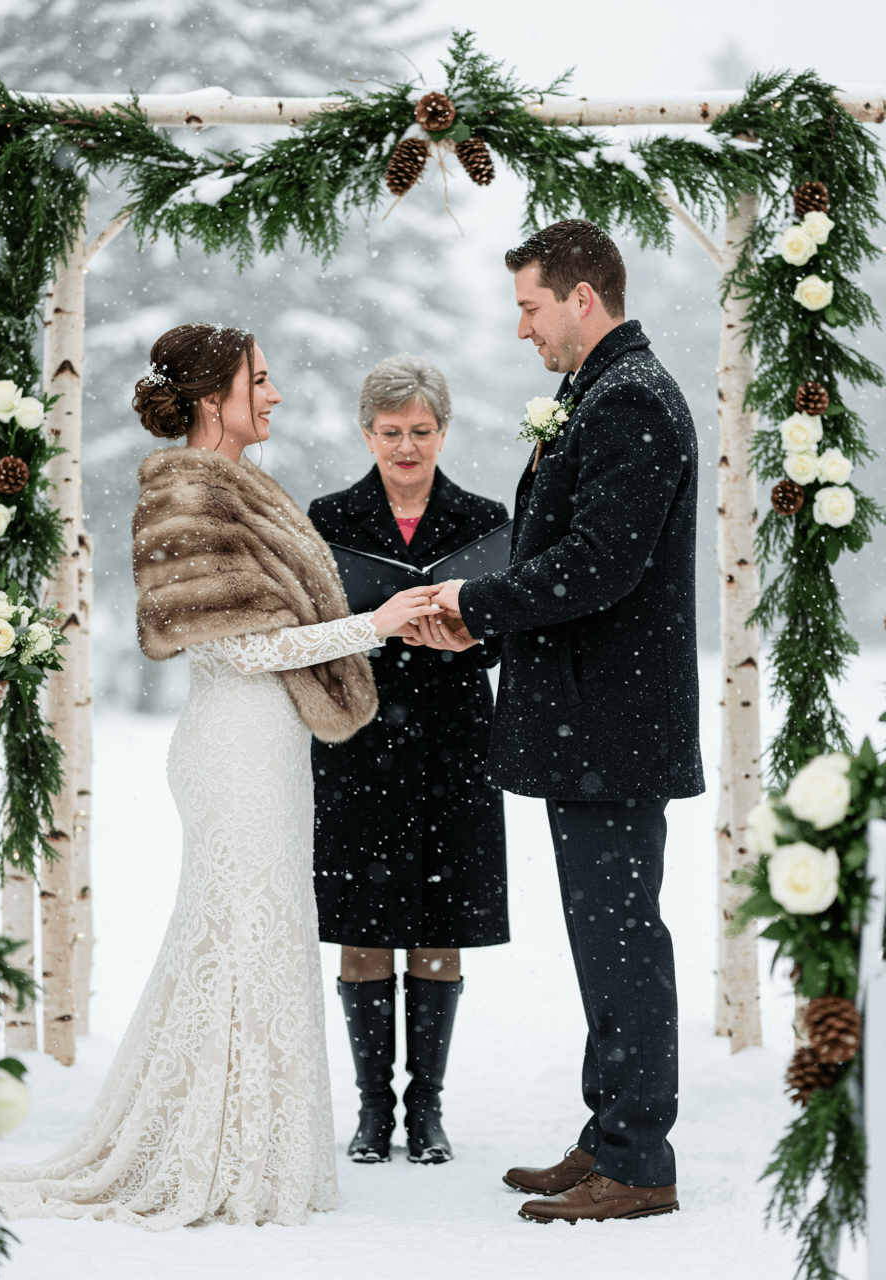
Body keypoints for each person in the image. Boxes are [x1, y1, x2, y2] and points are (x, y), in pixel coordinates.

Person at [0, 323, 442, 1230]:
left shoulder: (237, 485)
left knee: (258, 940)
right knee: (237, 941)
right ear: (211, 400)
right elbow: (245, 647)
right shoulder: (188, 493)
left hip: (268, 743)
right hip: (233, 744)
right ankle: (214, 1150)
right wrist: (379, 623)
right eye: (259, 381)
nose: (273, 395)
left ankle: (251, 1140)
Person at [424, 220, 704, 1223]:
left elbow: (597, 563)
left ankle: (637, 1160)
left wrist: (471, 604)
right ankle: (607, 1131)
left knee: (622, 937)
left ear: (582, 297)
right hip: (594, 721)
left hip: (613, 727)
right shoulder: (602, 393)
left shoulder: (631, 401)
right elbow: (573, 557)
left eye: (529, 306)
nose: (520, 329)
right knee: (605, 935)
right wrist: (480, 620)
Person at [307, 354, 509, 1165]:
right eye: (390, 433)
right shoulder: (327, 519)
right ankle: (370, 1113)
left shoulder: (487, 519)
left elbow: (511, 627)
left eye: (420, 431)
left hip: (456, 739)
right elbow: (313, 630)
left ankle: (425, 1111)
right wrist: (379, 629)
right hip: (358, 742)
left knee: (441, 921)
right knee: (365, 926)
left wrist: (470, 631)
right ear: (366, 433)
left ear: (443, 430)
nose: (405, 447)